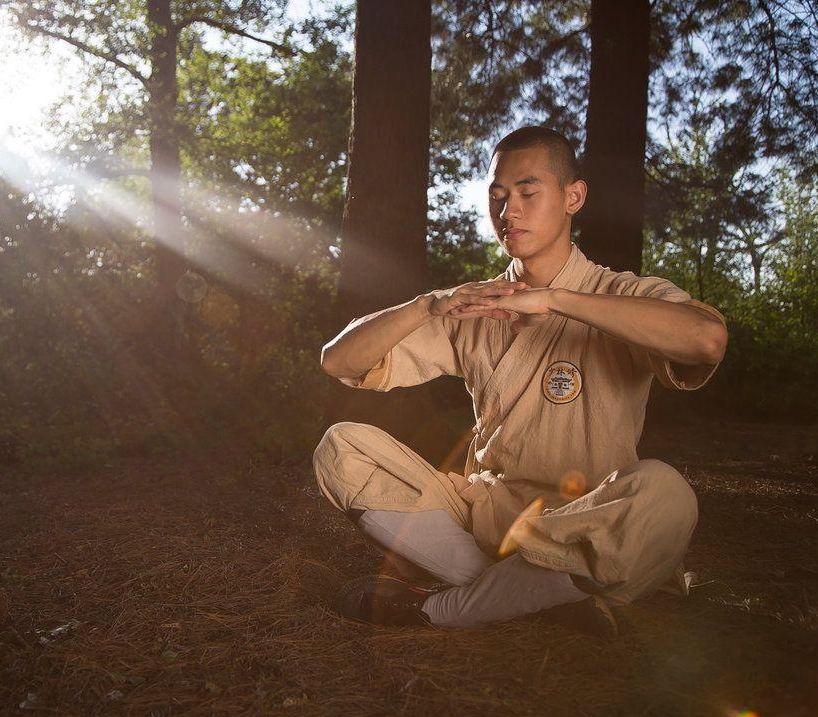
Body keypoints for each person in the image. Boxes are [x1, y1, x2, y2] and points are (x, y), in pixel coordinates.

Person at [312, 126, 728, 635]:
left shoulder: (619, 293)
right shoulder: (476, 302)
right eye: (498, 197)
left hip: (587, 521)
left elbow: (705, 341)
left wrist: (555, 301)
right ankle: (538, 592)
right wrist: (426, 306)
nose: (509, 211)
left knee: (667, 495)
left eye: (529, 193)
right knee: (341, 449)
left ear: (574, 197)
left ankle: (448, 607)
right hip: (486, 515)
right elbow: (339, 362)